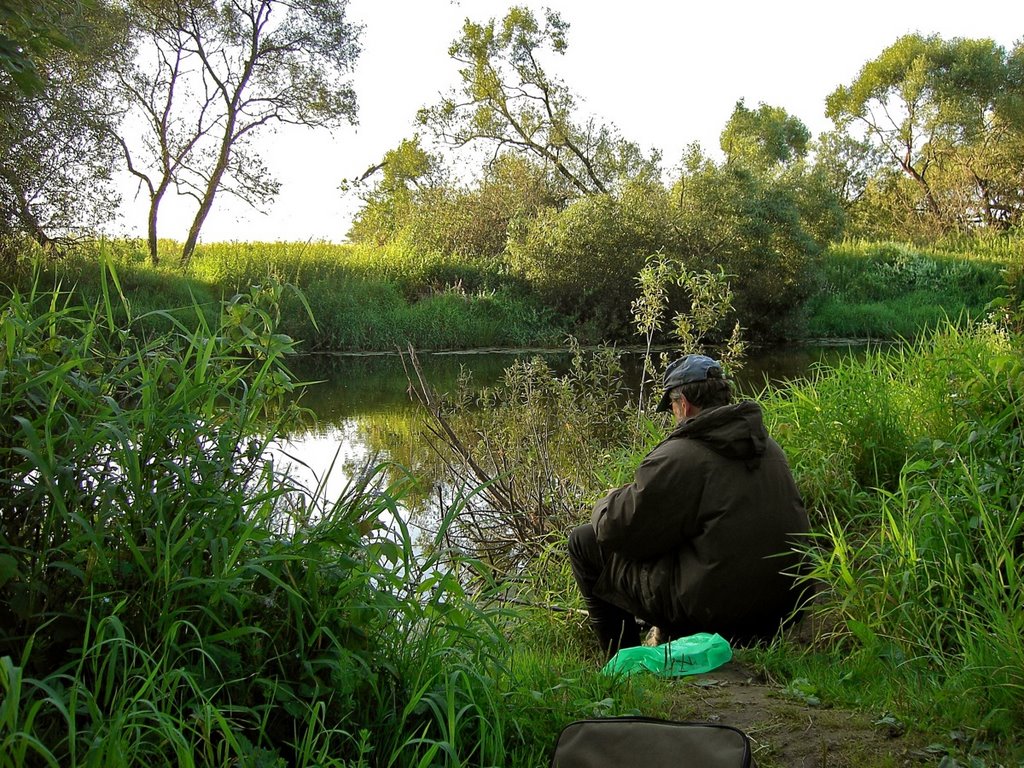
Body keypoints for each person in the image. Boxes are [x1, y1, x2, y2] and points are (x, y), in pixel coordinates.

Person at [568, 354, 810, 656]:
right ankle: (664, 639)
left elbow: (615, 529)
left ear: (684, 403)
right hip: (784, 609)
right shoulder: (767, 447)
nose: (673, 414)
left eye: (671, 406)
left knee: (583, 541)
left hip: (719, 616)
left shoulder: (682, 455)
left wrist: (607, 499)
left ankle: (623, 663)